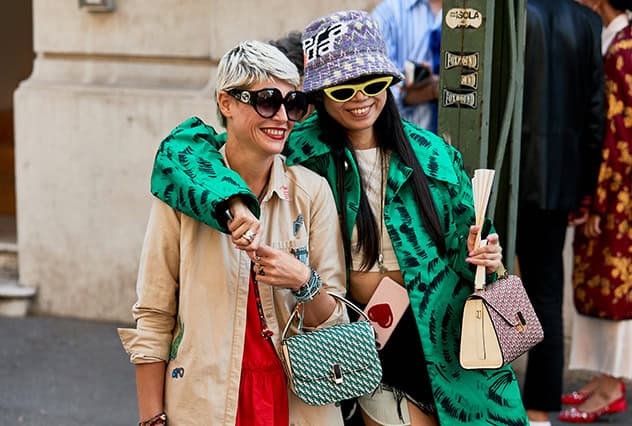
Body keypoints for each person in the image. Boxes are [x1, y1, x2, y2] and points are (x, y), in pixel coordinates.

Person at [149, 10, 529, 426]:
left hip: (444, 336)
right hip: (361, 339)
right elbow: (182, 152)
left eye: (373, 83)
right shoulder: (298, 148)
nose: (361, 98)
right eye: (344, 88)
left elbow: (466, 240)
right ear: (319, 96)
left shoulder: (432, 154)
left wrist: (485, 253)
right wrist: (235, 204)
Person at [118, 40, 348, 425]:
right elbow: (154, 314)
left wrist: (304, 281)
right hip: (204, 401)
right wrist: (150, 418)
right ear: (226, 103)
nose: (281, 117)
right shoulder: (181, 196)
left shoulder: (311, 192)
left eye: (292, 105)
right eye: (267, 100)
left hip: (295, 401)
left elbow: (335, 318)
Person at [518, 1, 604, 424]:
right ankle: (538, 410)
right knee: (546, 294)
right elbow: (595, 114)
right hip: (557, 181)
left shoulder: (510, 11)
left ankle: (481, 393)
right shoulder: (588, 22)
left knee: (482, 281)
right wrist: (584, 189)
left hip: (503, 172)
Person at [559, 0, 632, 422]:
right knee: (601, 289)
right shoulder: (613, 41)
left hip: (617, 196)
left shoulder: (622, 50)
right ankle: (603, 377)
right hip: (609, 190)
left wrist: (599, 200)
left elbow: (620, 134)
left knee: (616, 291)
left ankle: (611, 387)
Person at [371, 0, 442, 132]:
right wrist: (434, 90)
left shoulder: (481, 12)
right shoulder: (387, 14)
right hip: (404, 141)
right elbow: (376, 91)